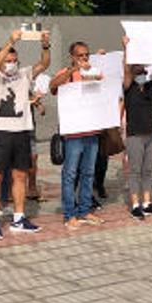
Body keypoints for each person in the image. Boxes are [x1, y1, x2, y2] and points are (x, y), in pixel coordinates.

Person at [0, 29, 50, 239]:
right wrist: (10, 41)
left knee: (20, 175)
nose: (11, 63)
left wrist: (45, 45)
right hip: (1, 133)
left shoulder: (24, 74)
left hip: (22, 131)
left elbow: (44, 64)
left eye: (14, 59)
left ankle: (19, 218)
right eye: (8, 60)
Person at [48, 41, 106, 229]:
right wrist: (72, 70)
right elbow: (52, 86)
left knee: (88, 173)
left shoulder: (93, 73)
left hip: (91, 131)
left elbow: (107, 88)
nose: (84, 59)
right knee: (70, 173)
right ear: (72, 57)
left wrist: (101, 66)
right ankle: (69, 214)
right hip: (73, 134)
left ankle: (85, 211)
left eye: (86, 55)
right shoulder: (66, 73)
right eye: (80, 55)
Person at [121, 43, 152, 220]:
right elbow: (125, 71)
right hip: (135, 133)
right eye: (136, 64)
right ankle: (135, 204)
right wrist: (126, 48)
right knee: (135, 171)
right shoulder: (128, 85)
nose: (140, 66)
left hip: (151, 132)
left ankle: (147, 203)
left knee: (148, 170)